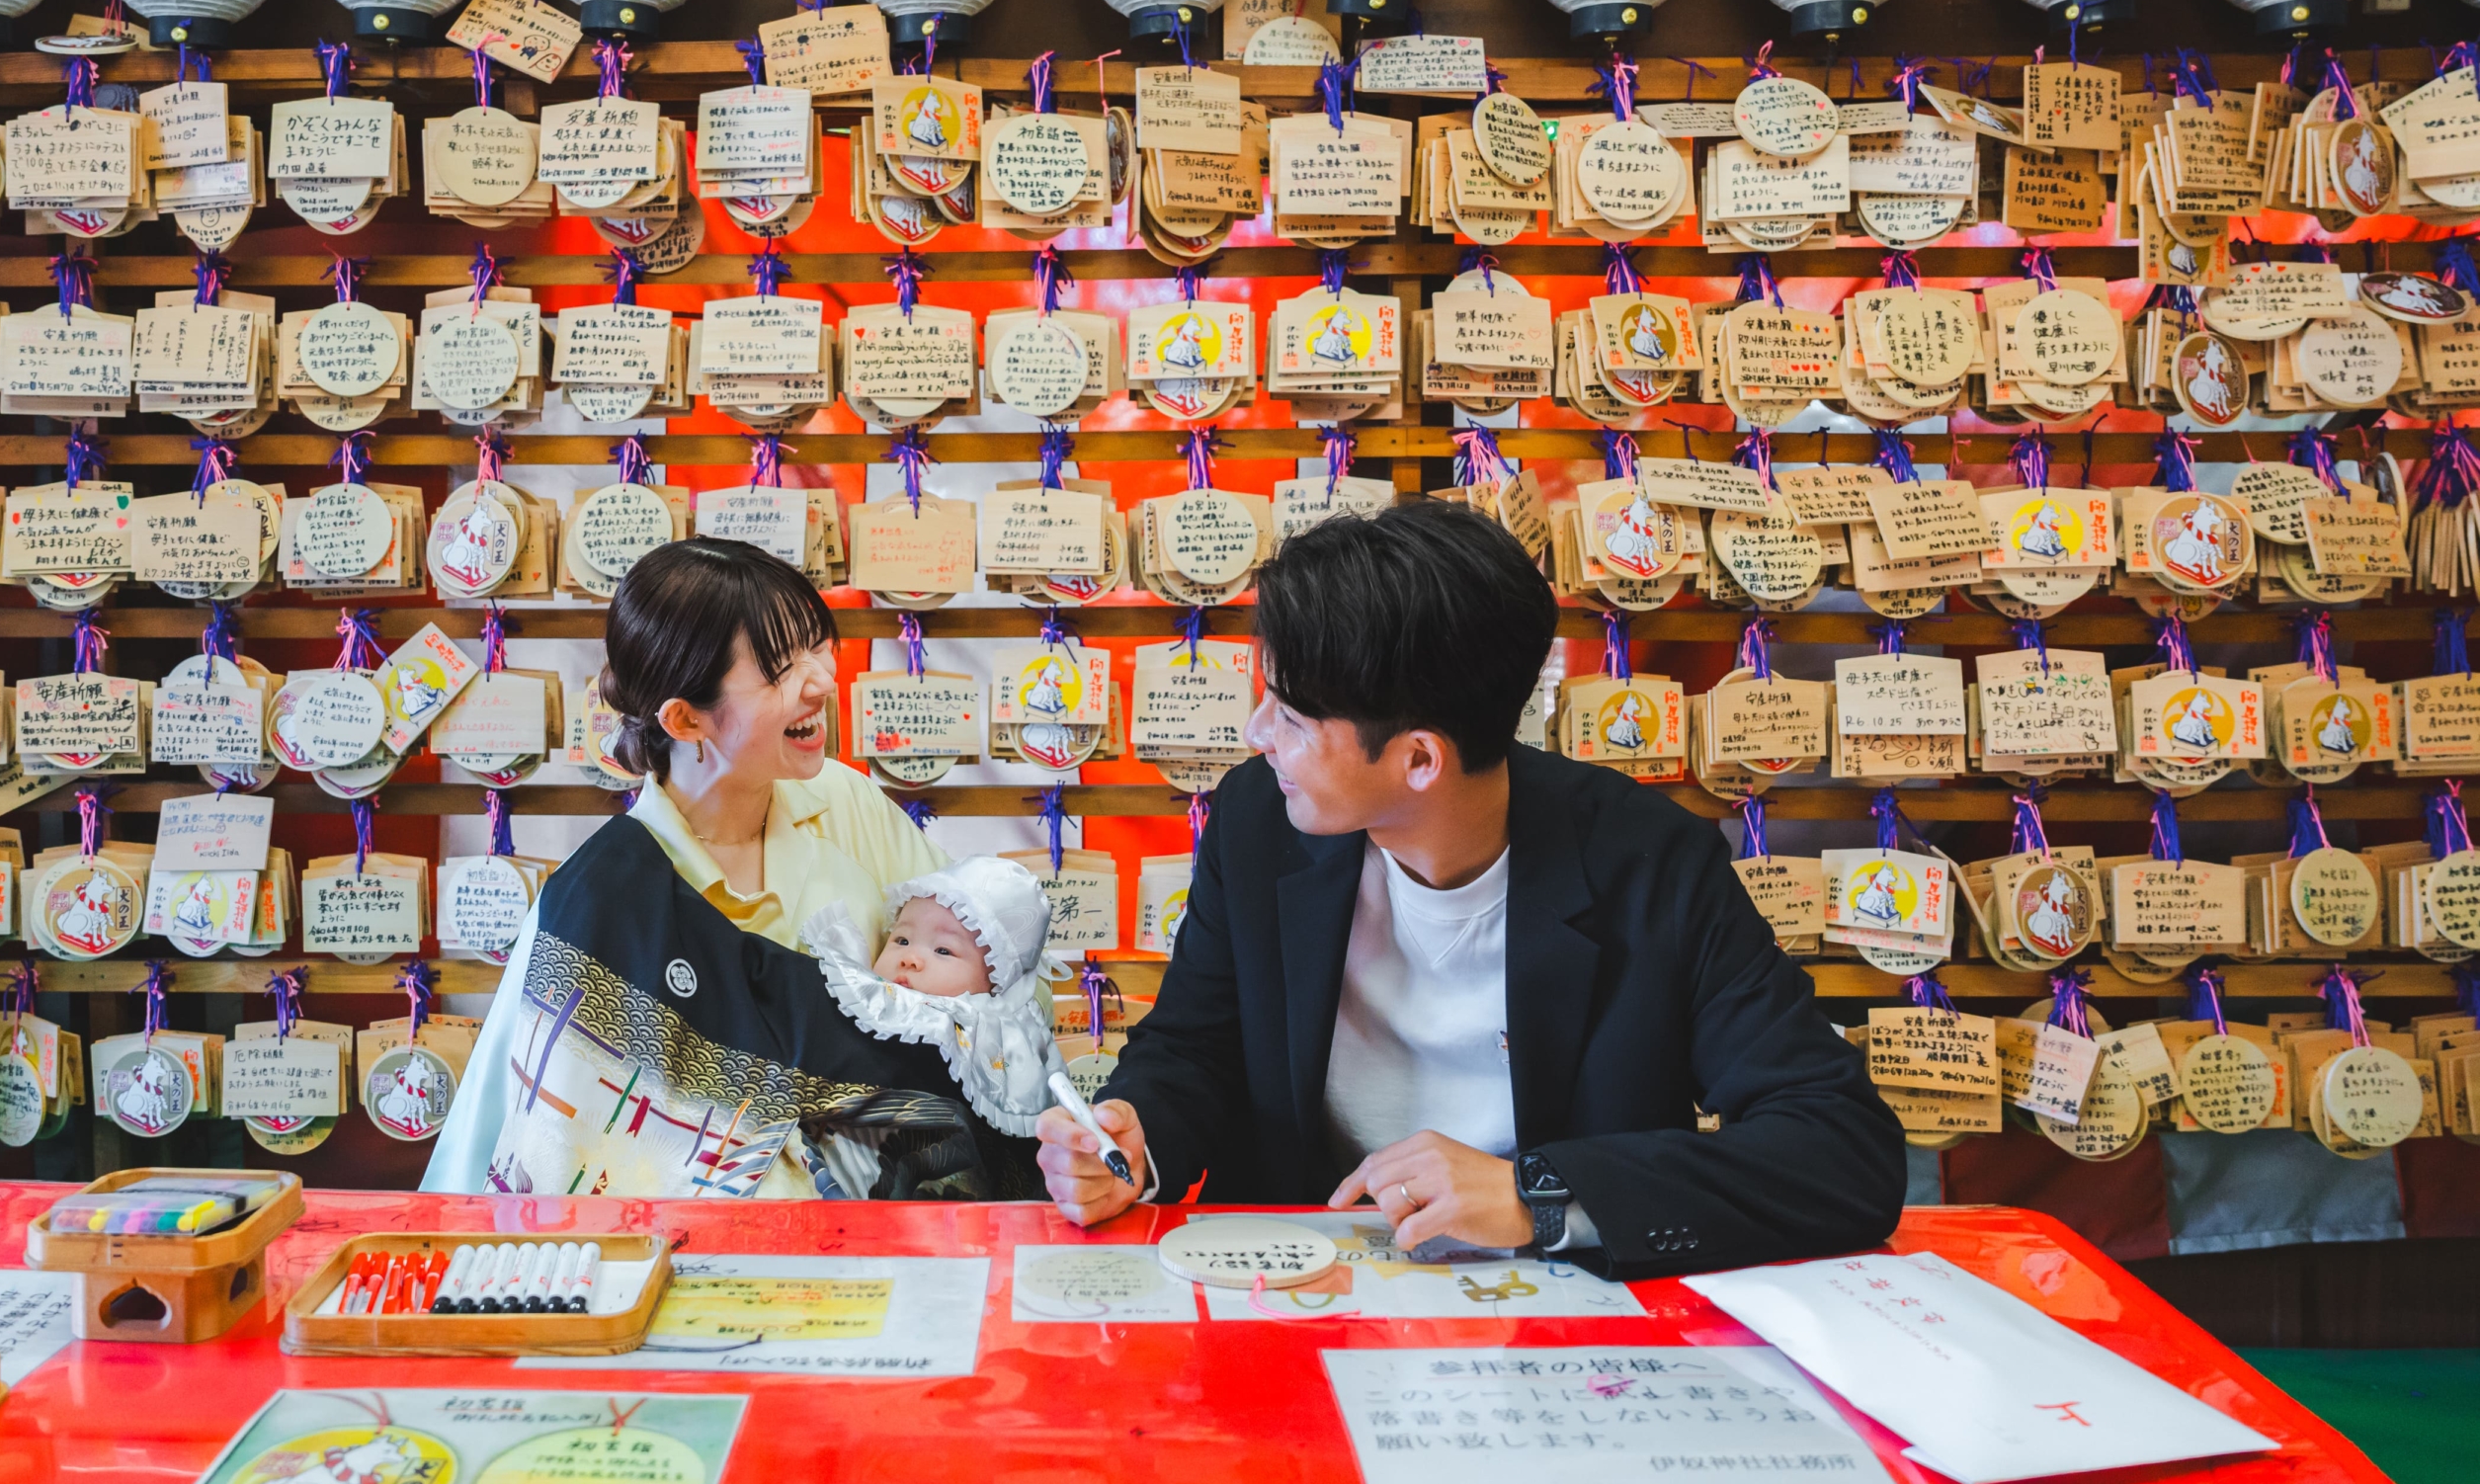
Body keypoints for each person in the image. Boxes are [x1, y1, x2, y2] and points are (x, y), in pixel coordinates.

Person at [1034, 500, 1903, 1278]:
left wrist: (1542, 1197)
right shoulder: (1261, 822)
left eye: (1293, 718)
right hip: (1303, 1287)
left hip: (1563, 1323)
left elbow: (1841, 1150)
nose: (1258, 734)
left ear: (1419, 759)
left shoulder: (1651, 864)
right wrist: (1134, 1137)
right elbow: (1198, 1046)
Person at [426, 539, 1035, 1201]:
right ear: (687, 719)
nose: (822, 683)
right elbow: (532, 1141)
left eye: (815, 648)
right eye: (780, 668)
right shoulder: (597, 901)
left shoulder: (848, 803)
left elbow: (1004, 980)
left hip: (897, 1247)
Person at [803, 856, 1064, 1136]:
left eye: (943, 951)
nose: (909, 958)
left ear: (995, 983)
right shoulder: (863, 991)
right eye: (901, 940)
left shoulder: (984, 1028)